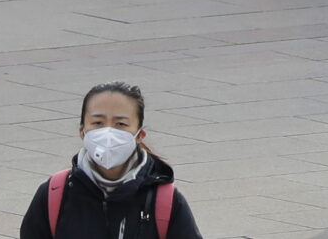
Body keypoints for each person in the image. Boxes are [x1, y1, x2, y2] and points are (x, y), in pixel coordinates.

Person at [17, 82, 204, 239]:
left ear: (140, 135)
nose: (108, 133)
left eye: (120, 124)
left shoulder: (164, 200)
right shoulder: (54, 194)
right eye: (98, 123)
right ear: (82, 130)